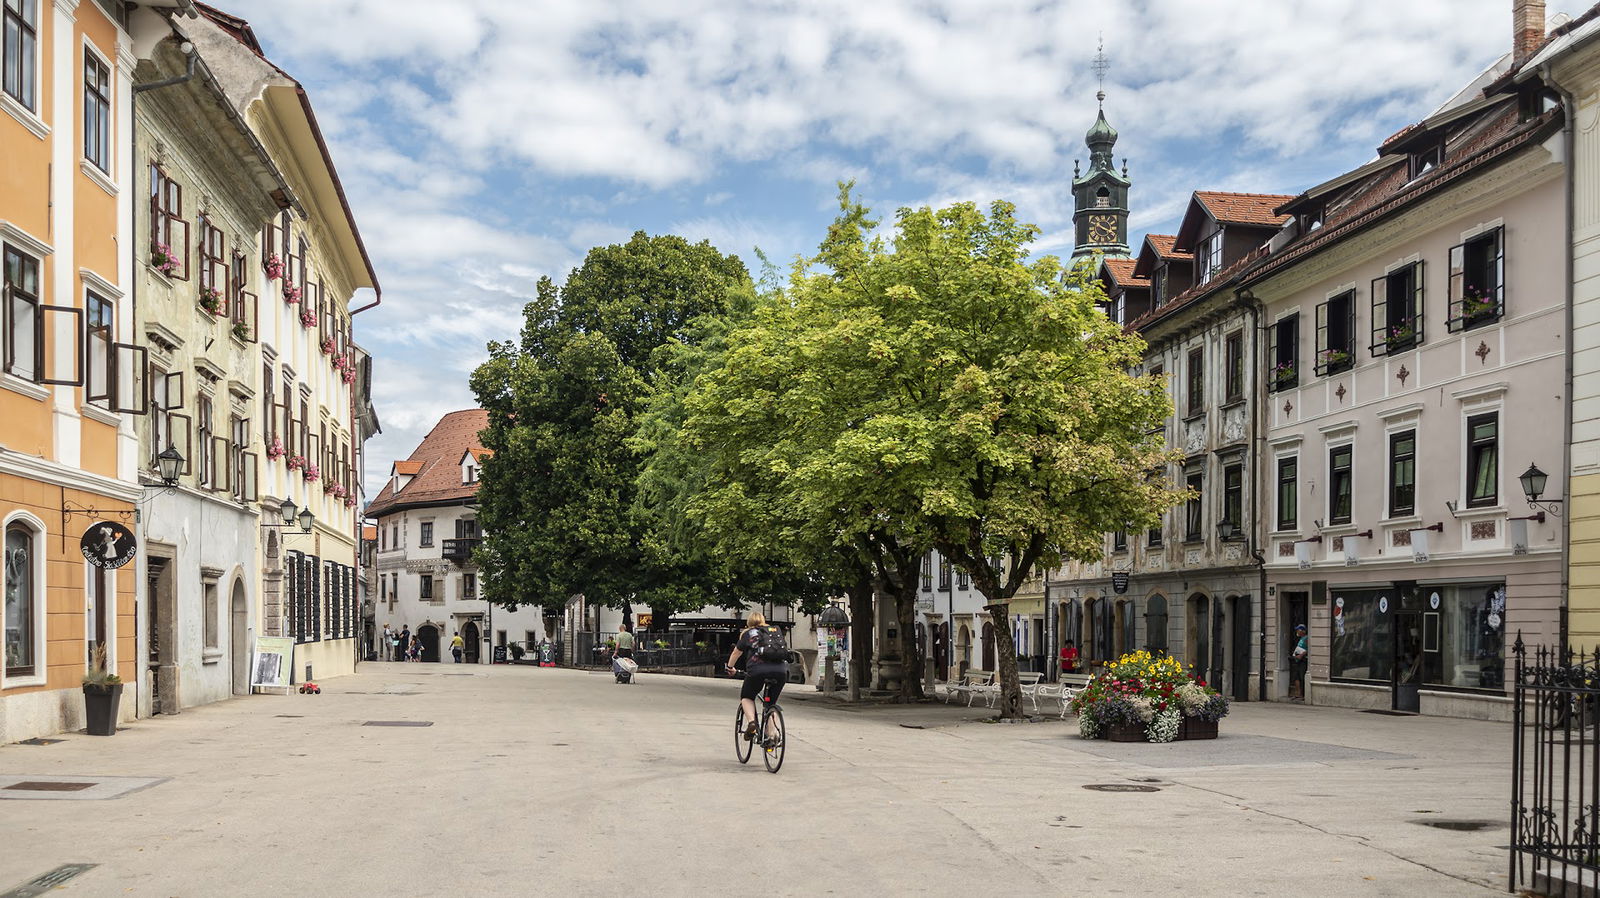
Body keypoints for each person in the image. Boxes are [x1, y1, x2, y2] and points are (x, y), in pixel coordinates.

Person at [726, 611, 788, 746]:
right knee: (771, 703)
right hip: (780, 671)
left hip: (758, 671)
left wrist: (730, 668)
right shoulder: (774, 632)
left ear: (749, 623)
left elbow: (736, 653)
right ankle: (772, 736)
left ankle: (752, 723)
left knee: (747, 696)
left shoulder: (748, 634)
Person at [1289, 623, 1309, 700]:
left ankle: (1303, 694)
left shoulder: (1306, 638)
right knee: (1296, 677)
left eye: (1298, 629)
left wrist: (1301, 655)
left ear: (1303, 631)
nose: (1297, 631)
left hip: (1302, 661)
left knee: (1301, 677)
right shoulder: (1301, 638)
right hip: (1297, 660)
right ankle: (1298, 693)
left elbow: (1308, 649)